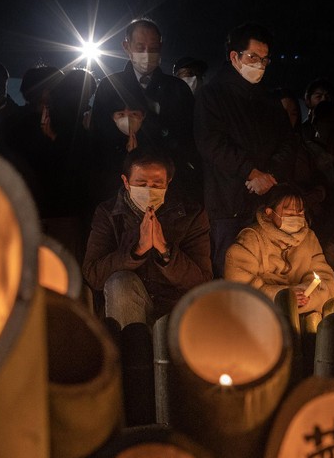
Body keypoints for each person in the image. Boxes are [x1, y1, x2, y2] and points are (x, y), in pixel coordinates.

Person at [193, 21, 300, 276]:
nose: (259, 65)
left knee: (268, 274)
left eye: (265, 59)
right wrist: (250, 172)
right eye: (253, 57)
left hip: (267, 200)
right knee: (232, 275)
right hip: (228, 203)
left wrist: (270, 175)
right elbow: (211, 143)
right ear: (234, 56)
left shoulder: (269, 99)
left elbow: (288, 141)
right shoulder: (212, 95)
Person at [82, 149, 212, 326]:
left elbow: (202, 281)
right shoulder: (108, 213)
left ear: (168, 182)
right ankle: (130, 348)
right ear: (126, 182)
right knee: (120, 282)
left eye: (157, 185)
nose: (149, 190)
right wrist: (137, 251)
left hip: (173, 305)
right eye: (141, 183)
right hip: (125, 304)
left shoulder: (191, 214)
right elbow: (93, 274)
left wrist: (165, 250)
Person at [92, 18, 201, 204]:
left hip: (168, 183)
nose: (146, 53)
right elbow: (97, 138)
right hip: (121, 181)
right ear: (126, 46)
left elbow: (190, 136)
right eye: (140, 47)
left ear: (161, 46)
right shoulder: (109, 86)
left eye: (152, 48)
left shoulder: (177, 88)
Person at [224, 183, 334, 314]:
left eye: (300, 212)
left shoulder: (309, 239)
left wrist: (307, 294)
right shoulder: (251, 239)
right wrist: (282, 296)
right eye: (289, 213)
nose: (296, 217)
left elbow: (325, 280)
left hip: (304, 318)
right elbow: (239, 287)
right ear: (270, 213)